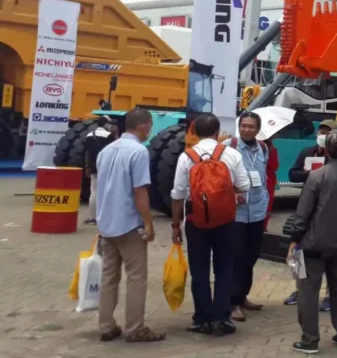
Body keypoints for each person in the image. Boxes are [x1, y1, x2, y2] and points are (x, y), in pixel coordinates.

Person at [170, 113, 250, 336]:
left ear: (194, 132)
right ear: (217, 132)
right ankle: (222, 318)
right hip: (225, 219)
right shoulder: (232, 154)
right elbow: (244, 185)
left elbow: (177, 194)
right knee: (224, 267)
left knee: (199, 268)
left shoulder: (186, 156)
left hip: (195, 219)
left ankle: (202, 319)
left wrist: (176, 225)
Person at [289, 131, 337, 353]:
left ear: (327, 150)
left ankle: (309, 339)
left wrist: (295, 239)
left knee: (307, 290)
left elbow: (303, 213)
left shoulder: (317, 176)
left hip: (313, 243)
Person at [95, 108, 164, 343]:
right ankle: (135, 328)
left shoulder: (106, 151)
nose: (150, 130)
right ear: (143, 126)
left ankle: (106, 325)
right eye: (150, 126)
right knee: (136, 277)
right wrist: (148, 223)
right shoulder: (139, 152)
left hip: (106, 224)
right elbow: (139, 191)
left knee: (108, 276)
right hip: (129, 225)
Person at [284, 119, 337, 309]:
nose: (323, 136)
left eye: (327, 133)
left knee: (330, 254)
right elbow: (292, 174)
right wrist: (308, 173)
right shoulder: (307, 152)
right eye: (321, 132)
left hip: (329, 210)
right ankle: (300, 289)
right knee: (298, 251)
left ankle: (330, 294)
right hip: (307, 206)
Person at [226, 110, 271, 322]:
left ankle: (243, 296)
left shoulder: (263, 148)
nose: (246, 129)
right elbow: (219, 175)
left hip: (257, 211)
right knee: (236, 257)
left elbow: (263, 176)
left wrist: (266, 202)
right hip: (236, 213)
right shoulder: (229, 146)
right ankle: (232, 302)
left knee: (252, 255)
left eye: (251, 126)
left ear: (258, 129)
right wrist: (232, 192)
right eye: (243, 125)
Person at [84, 122, 118, 225]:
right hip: (106, 167)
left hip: (93, 167)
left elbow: (87, 152)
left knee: (94, 192)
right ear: (106, 125)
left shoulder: (89, 135)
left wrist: (87, 166)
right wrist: (115, 134)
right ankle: (105, 217)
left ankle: (92, 218)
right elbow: (115, 149)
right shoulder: (108, 135)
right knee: (107, 192)